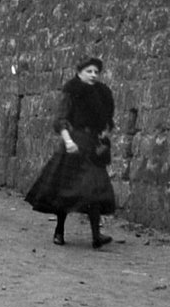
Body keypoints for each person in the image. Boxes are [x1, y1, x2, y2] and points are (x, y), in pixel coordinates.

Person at [25, 56, 117, 250]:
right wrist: (68, 141)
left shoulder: (102, 94)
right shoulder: (72, 91)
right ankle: (59, 230)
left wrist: (103, 132)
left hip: (92, 146)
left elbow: (107, 120)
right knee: (65, 189)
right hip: (74, 143)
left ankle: (96, 236)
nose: (93, 75)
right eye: (89, 71)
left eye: (96, 72)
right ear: (79, 72)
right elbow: (61, 119)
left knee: (96, 189)